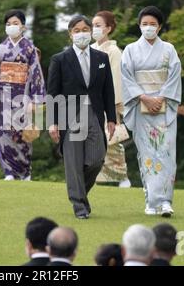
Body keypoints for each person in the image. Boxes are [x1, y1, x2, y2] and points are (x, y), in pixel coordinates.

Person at [47, 15, 116, 219]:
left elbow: (108, 90)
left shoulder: (101, 58)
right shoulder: (60, 59)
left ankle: (79, 194)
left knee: (97, 159)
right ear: (70, 34)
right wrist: (52, 121)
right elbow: (52, 92)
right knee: (74, 162)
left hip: (94, 113)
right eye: (76, 30)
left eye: (85, 29)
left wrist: (111, 118)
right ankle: (79, 205)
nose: (82, 33)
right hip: (70, 115)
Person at [121, 6, 181, 217]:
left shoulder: (169, 50)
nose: (148, 28)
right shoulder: (130, 50)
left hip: (164, 107)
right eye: (145, 24)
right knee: (147, 152)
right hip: (140, 106)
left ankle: (165, 201)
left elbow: (174, 76)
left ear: (160, 26)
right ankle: (151, 200)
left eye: (152, 24)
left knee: (166, 153)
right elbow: (126, 77)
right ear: (139, 26)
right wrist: (144, 97)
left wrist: (161, 98)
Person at [0, 9, 46, 181]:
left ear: (23, 26)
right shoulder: (0, 49)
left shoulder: (29, 49)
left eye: (15, 24)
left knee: (22, 136)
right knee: (3, 134)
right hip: (3, 97)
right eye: (8, 24)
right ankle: (8, 171)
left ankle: (25, 172)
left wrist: (36, 100)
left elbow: (36, 74)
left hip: (22, 97)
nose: (11, 27)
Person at [91, 11, 131, 188]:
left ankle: (122, 176)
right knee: (93, 139)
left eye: (98, 25)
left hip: (107, 101)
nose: (94, 29)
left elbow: (116, 79)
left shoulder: (114, 51)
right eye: (93, 25)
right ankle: (96, 176)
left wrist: (113, 105)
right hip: (90, 101)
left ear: (108, 28)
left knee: (112, 139)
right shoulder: (90, 49)